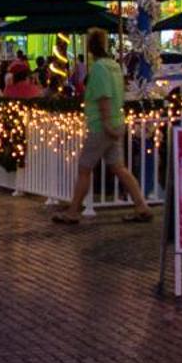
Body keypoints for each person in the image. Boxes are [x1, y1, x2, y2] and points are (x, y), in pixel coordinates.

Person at [50, 29, 151, 224]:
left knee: (84, 168)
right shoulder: (114, 66)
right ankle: (141, 205)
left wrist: (106, 124)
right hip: (116, 121)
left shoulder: (98, 68)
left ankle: (73, 212)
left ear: (90, 47)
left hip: (102, 126)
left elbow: (104, 97)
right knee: (119, 168)